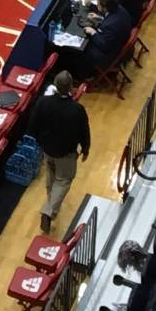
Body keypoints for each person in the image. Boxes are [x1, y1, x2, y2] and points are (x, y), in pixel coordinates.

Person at [29, 70, 91, 233]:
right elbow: (84, 131)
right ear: (71, 87)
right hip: (66, 153)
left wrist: (41, 141)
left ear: (55, 86)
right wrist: (85, 148)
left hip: (48, 149)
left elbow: (33, 126)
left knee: (51, 177)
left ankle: (51, 208)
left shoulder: (43, 102)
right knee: (63, 181)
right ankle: (48, 212)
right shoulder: (77, 109)